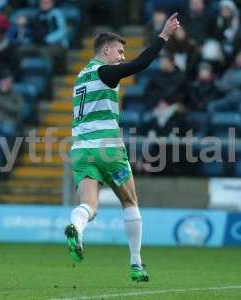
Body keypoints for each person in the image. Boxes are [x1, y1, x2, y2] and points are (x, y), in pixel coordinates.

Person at [64, 13, 180, 282]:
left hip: (81, 150)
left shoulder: (81, 77)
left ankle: (76, 228)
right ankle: (136, 264)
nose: (122, 56)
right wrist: (163, 36)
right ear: (105, 49)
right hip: (107, 148)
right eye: (119, 50)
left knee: (88, 205)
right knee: (130, 201)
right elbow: (141, 63)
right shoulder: (105, 72)